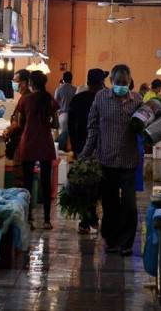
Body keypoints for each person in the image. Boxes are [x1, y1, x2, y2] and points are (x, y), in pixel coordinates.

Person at [80, 64, 143, 256]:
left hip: (129, 161)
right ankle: (112, 240)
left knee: (130, 205)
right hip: (106, 161)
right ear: (111, 82)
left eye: (125, 83)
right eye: (118, 83)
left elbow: (147, 127)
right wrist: (85, 154)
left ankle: (126, 243)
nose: (122, 86)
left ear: (130, 82)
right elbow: (92, 127)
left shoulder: (137, 101)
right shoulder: (101, 98)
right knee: (110, 205)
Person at [16, 71, 59, 230]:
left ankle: (29, 219)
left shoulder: (26, 100)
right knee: (46, 182)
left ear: (31, 84)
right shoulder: (50, 100)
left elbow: (21, 123)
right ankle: (47, 220)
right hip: (45, 143)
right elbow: (55, 124)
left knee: (27, 182)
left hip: (29, 142)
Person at [68, 68, 107, 234]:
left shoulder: (77, 99)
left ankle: (87, 220)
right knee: (97, 184)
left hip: (82, 149)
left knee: (84, 183)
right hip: (100, 149)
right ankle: (92, 219)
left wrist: (75, 147)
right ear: (100, 83)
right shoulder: (104, 99)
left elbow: (70, 125)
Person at [3, 69, 31, 161]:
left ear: (23, 83)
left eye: (15, 81)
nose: (13, 83)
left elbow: (18, 123)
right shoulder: (26, 97)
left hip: (21, 140)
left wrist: (7, 131)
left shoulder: (25, 99)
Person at [54, 71, 76, 147]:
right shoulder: (75, 89)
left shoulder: (59, 89)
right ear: (71, 79)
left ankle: (63, 153)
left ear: (63, 79)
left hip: (63, 115)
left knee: (62, 136)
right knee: (71, 136)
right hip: (73, 115)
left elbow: (55, 103)